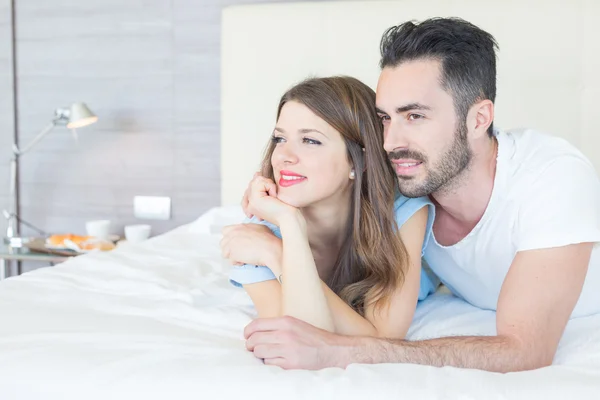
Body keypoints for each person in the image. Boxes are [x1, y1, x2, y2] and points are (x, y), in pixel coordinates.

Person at [238, 18, 600, 372]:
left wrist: (341, 352)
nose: (391, 142)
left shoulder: (551, 177)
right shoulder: (408, 178)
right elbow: (333, 174)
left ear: (479, 118)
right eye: (385, 118)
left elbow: (525, 351)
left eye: (415, 116)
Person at [220, 76, 440, 342]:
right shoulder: (260, 236)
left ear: (359, 160)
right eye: (279, 139)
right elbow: (301, 338)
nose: (284, 156)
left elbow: (385, 339)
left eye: (310, 141)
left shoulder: (402, 211)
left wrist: (278, 255)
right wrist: (289, 225)